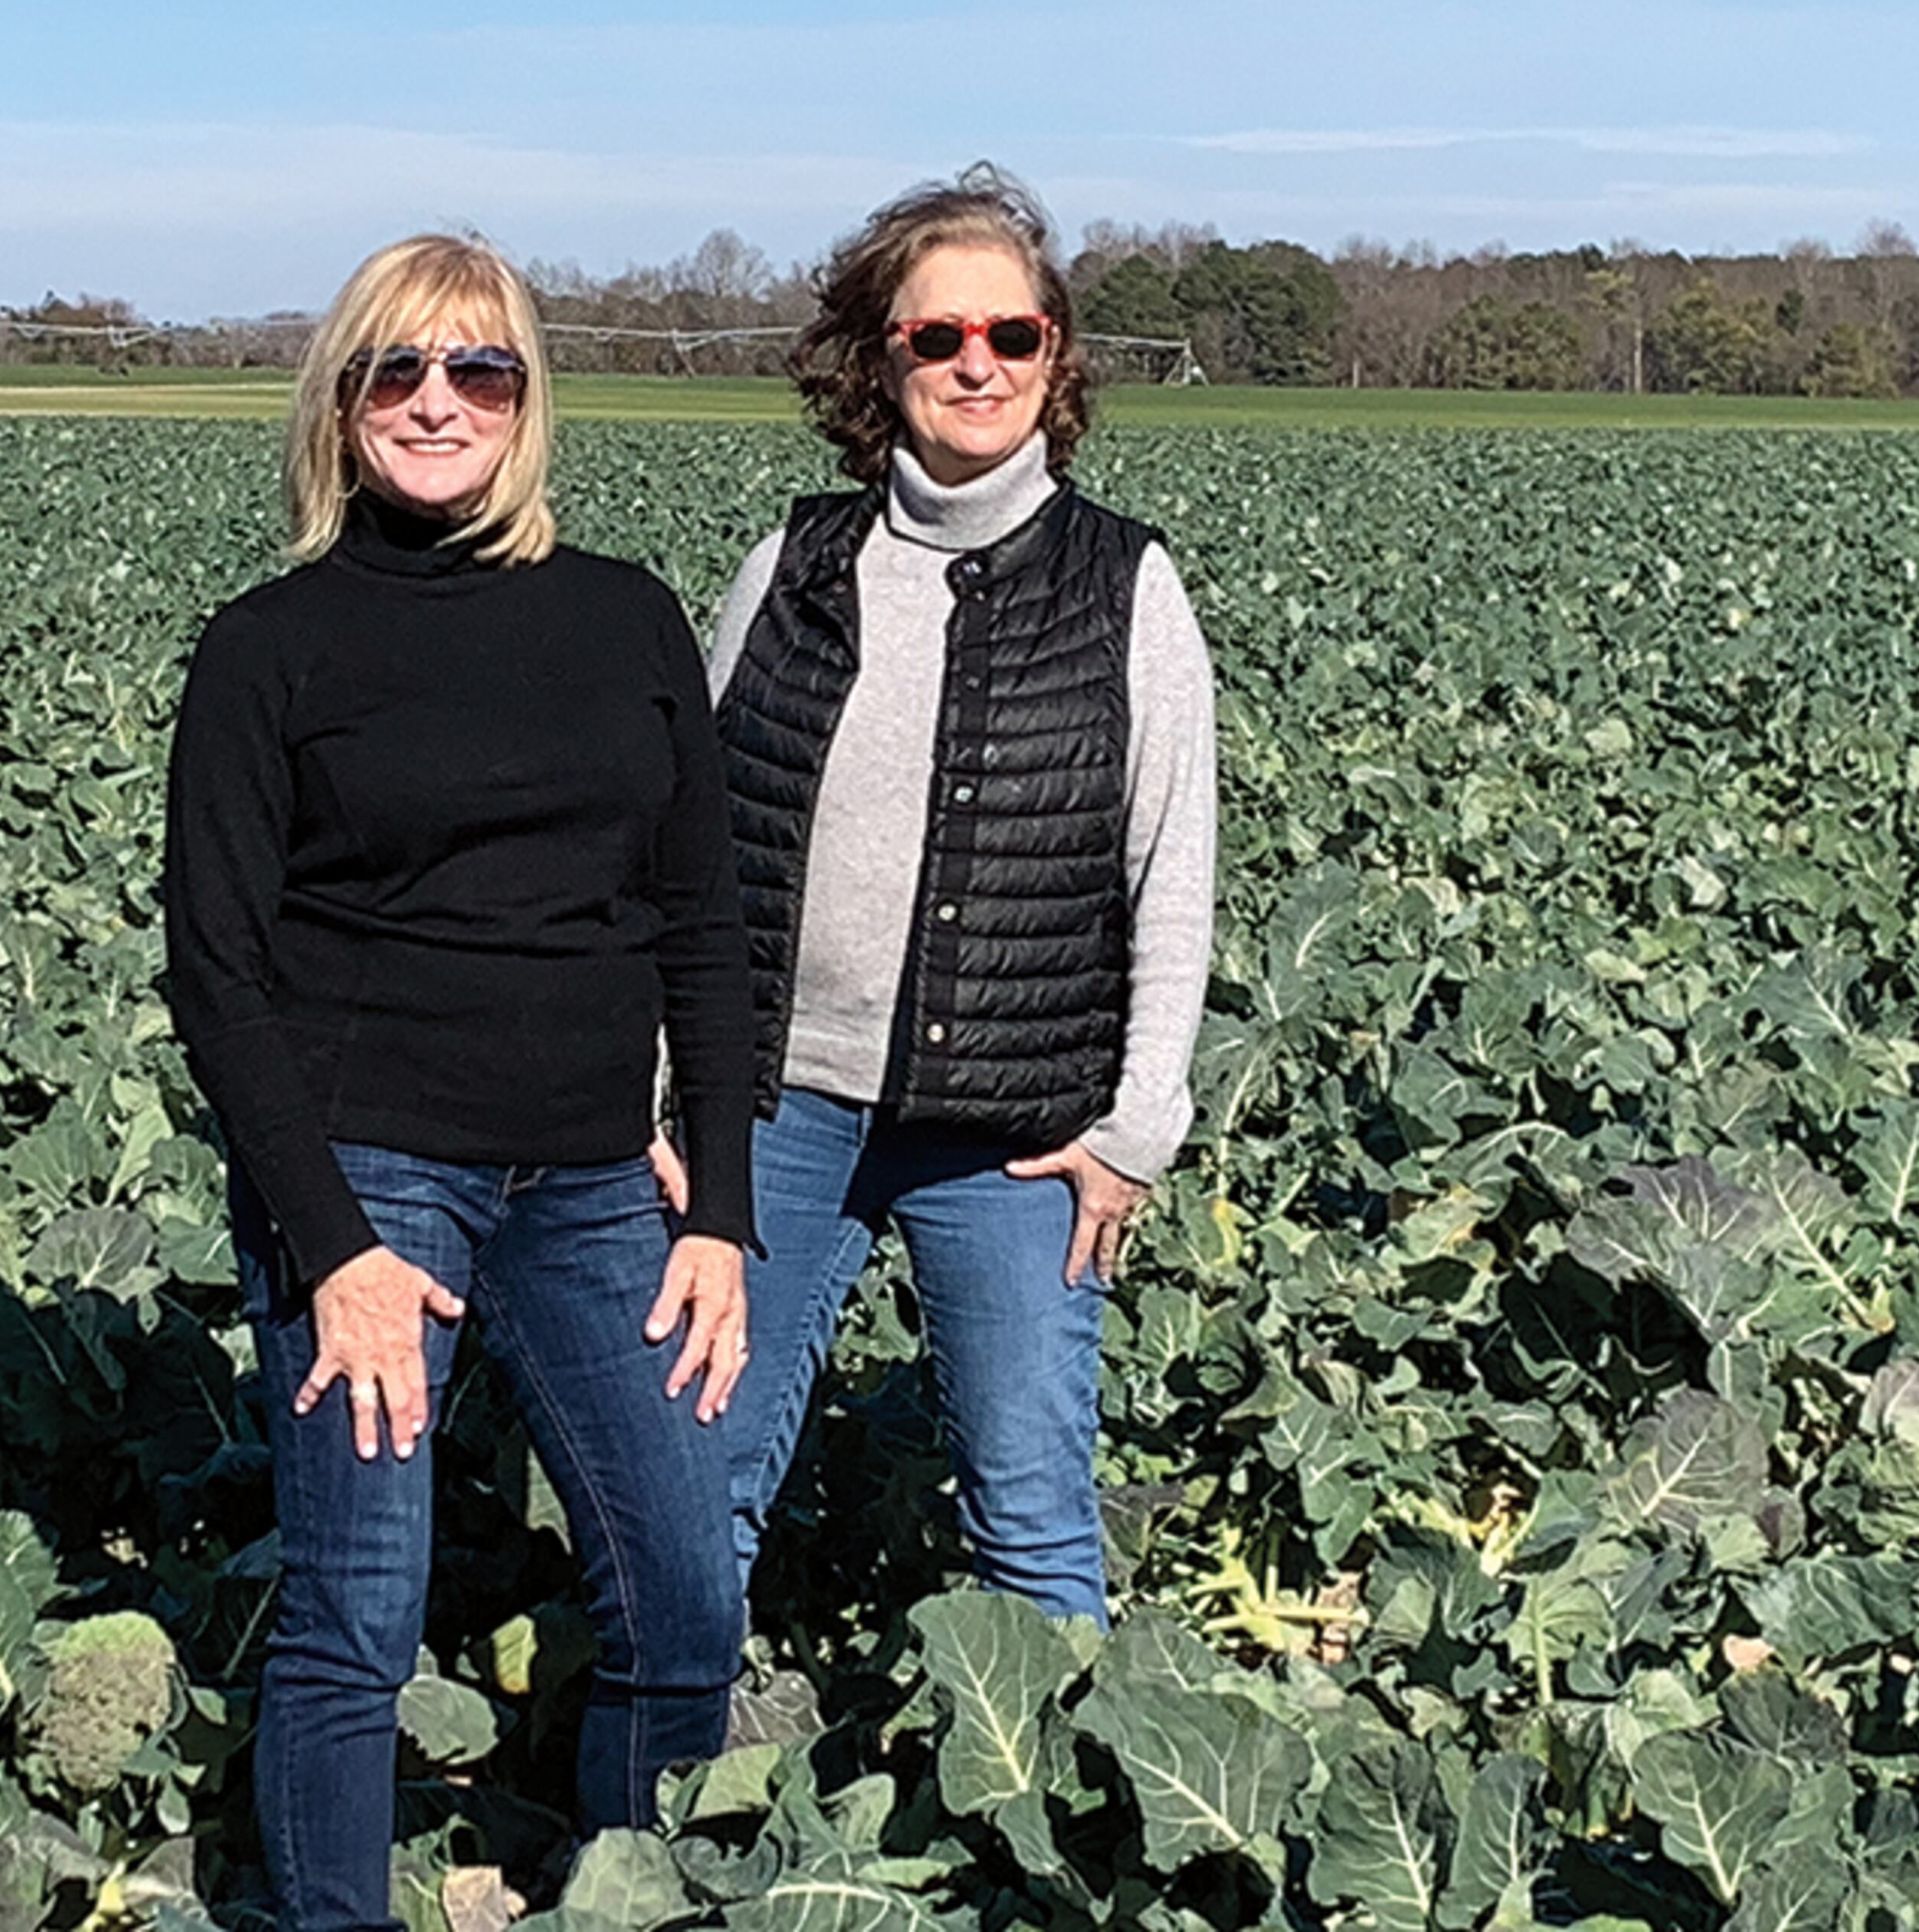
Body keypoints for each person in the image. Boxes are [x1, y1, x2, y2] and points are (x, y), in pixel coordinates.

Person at [165, 235, 754, 1932]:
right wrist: (330, 1244)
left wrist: (719, 1203)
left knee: (684, 1597)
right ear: (340, 401)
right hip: (370, 1177)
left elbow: (704, 924)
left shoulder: (627, 616)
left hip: (593, 1183)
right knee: (358, 1613)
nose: (439, 401)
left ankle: (636, 1893)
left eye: (479, 368)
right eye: (396, 370)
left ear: (525, 397)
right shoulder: (269, 646)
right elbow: (218, 972)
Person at [707, 168, 1218, 1626]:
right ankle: (671, 1759)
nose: (976, 364)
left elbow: (1172, 871)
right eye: (938, 337)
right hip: (780, 1108)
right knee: (700, 1483)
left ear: (1055, 356)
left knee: (1033, 1511)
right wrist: (675, 1087)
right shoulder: (791, 565)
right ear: (883, 364)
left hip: (1013, 1132)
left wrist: (1137, 1126)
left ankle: (1045, 1773)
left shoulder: (1125, 585)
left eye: (1012, 333)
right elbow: (691, 845)